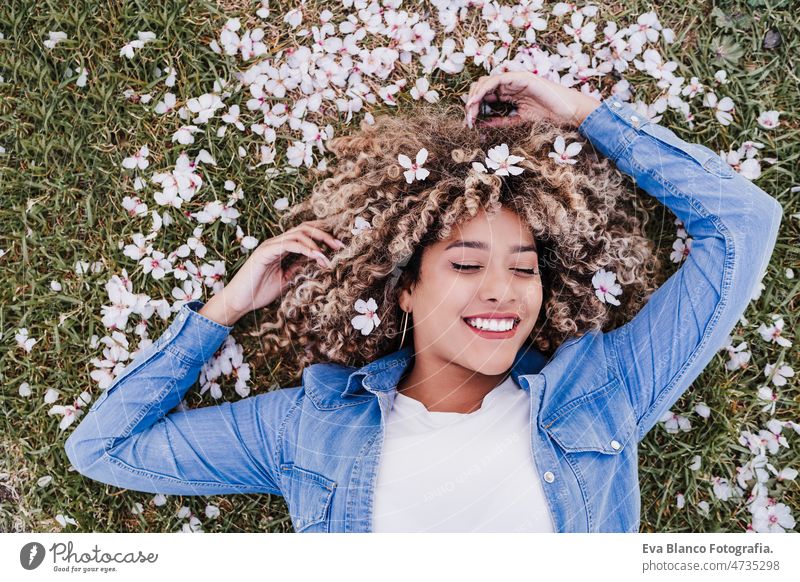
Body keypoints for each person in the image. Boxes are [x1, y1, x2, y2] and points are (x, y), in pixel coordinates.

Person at [65, 72, 783, 533]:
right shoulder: (307, 430)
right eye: (466, 263)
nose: (502, 289)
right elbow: (105, 449)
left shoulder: (603, 392)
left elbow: (745, 223)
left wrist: (581, 113)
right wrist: (225, 309)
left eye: (524, 269)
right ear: (404, 285)